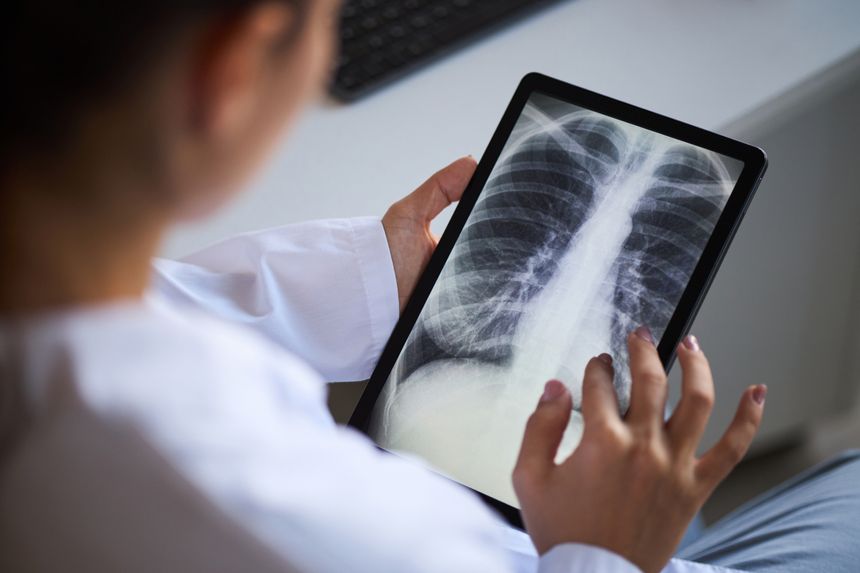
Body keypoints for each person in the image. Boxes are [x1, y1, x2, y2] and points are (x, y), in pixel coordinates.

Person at [1, 1, 858, 572]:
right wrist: (605, 553)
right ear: (230, 71)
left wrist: (373, 277)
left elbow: (152, 304)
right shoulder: (283, 514)